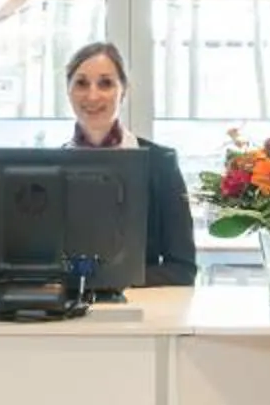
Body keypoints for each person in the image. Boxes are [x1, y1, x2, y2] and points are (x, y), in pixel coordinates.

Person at [61, 41, 197, 287]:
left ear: (123, 90)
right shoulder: (48, 169)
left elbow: (182, 269)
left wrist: (107, 281)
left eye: (105, 83)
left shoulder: (160, 164)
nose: (92, 95)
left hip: (140, 315)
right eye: (81, 83)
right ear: (68, 92)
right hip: (65, 316)